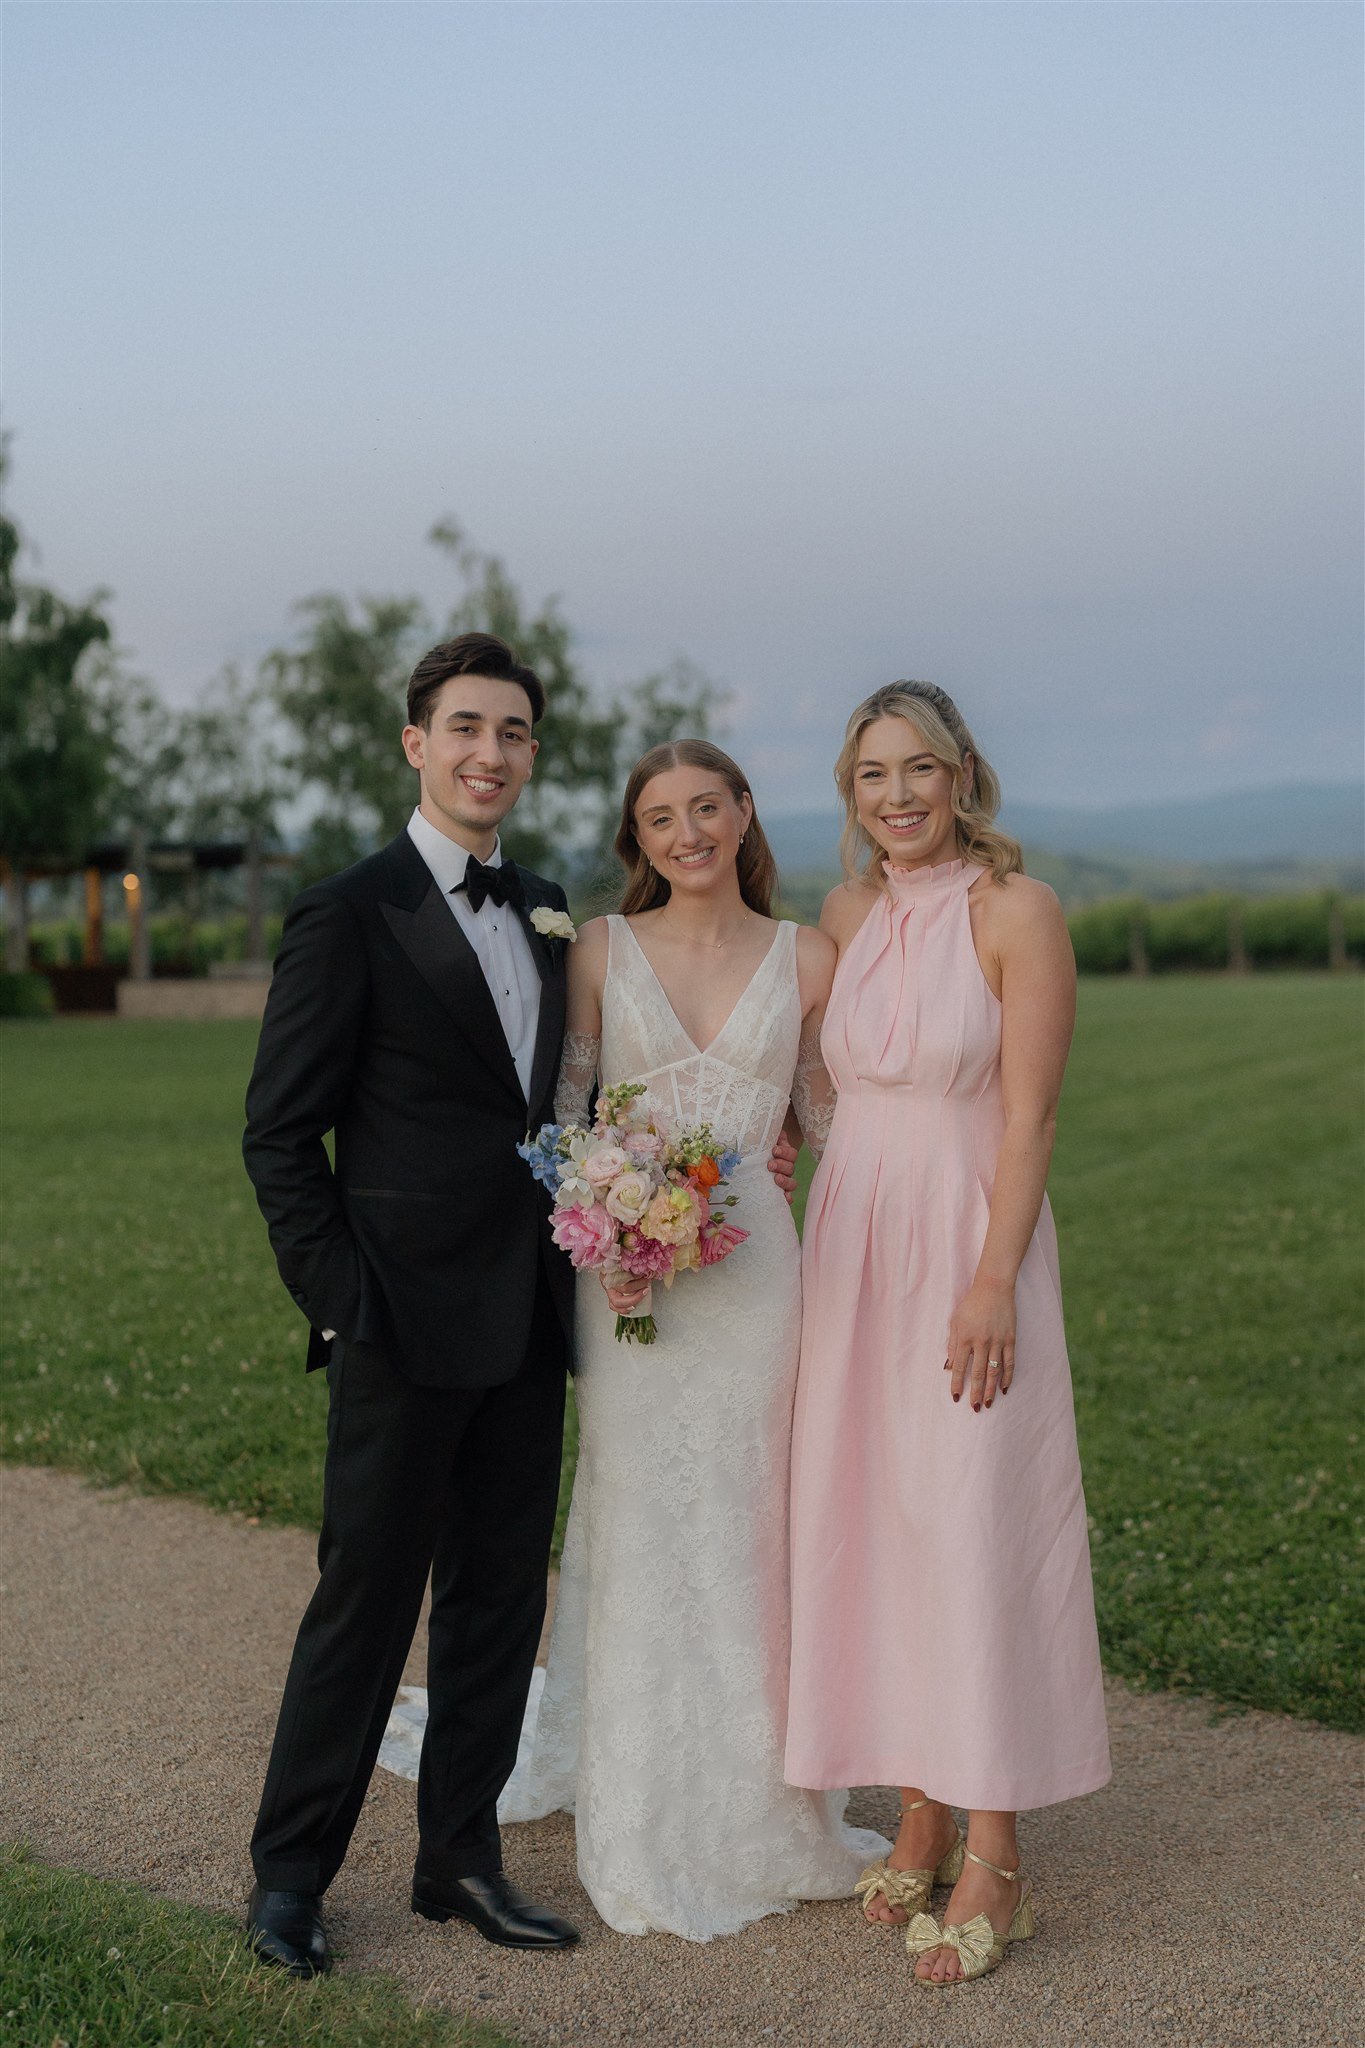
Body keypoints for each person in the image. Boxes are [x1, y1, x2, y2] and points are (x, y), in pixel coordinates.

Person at [498, 739, 888, 1940]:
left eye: (705, 807)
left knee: (753, 1514)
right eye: (661, 815)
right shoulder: (604, 952)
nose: (686, 832)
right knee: (641, 1506)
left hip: (762, 1274)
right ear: (639, 834)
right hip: (629, 1287)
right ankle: (639, 1801)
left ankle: (764, 1802)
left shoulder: (809, 955)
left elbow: (830, 1122)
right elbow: (563, 1113)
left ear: (743, 812)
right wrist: (607, 1198)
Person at [241, 632, 580, 1977]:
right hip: (399, 1321)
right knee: (366, 1602)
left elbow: (552, 1107)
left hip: (529, 1322)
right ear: (415, 743)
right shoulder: (348, 911)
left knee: (498, 1600)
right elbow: (279, 1136)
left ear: (530, 753)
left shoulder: (550, 906)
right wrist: (346, 1303)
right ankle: (287, 1878)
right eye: (463, 729)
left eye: (510, 732)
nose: (486, 754)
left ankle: (459, 1859)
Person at [784, 681, 1110, 1987]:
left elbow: (1028, 1121)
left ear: (964, 772)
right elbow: (820, 1096)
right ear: (850, 793)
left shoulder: (1016, 914)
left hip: (968, 1246)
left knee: (971, 1524)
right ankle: (917, 1808)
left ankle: (998, 1857)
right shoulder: (848, 914)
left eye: (920, 768)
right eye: (872, 775)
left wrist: (991, 1278)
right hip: (854, 1250)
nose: (898, 795)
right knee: (881, 1517)